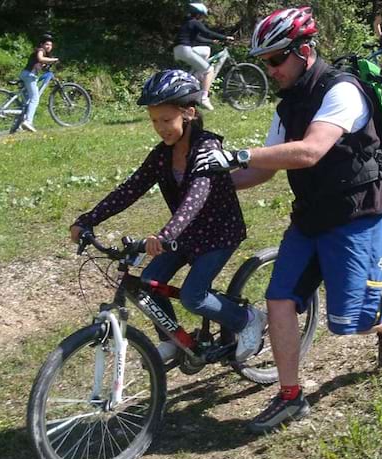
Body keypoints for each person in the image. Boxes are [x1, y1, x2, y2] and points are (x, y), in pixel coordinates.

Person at [191, 7, 382, 434]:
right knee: (280, 299)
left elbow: (309, 151)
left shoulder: (342, 91)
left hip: (356, 217)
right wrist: (213, 184)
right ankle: (291, 396)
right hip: (309, 219)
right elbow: (265, 170)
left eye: (275, 59)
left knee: (350, 322)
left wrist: (238, 154)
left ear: (303, 51)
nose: (269, 70)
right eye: (264, 61)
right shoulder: (287, 105)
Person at [69, 69, 265, 364]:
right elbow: (131, 188)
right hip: (185, 234)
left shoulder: (207, 148)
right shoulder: (162, 153)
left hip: (219, 233)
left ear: (188, 113)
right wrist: (89, 219)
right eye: (154, 121)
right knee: (149, 282)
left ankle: (247, 319)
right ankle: (173, 342)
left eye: (166, 120)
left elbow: (195, 198)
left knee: (193, 296)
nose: (160, 128)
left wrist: (165, 235)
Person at [173, 2, 235, 111]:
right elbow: (207, 32)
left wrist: (212, 41)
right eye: (201, 16)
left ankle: (197, 75)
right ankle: (204, 97)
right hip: (185, 50)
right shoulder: (195, 22)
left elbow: (199, 38)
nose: (202, 18)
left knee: (206, 50)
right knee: (209, 70)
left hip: (179, 50)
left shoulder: (188, 23)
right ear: (198, 14)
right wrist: (225, 37)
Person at [19, 33, 59, 133]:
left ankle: (19, 125)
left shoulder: (43, 53)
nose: (49, 46)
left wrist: (47, 64)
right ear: (42, 45)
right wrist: (53, 60)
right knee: (35, 98)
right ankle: (28, 122)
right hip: (29, 75)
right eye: (46, 44)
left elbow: (41, 63)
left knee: (27, 101)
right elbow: (41, 58)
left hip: (26, 74)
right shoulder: (40, 51)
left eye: (50, 45)